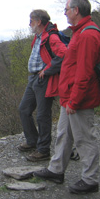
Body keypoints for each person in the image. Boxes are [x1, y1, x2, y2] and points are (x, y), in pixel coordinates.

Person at [34, 0, 100, 194]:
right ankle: (56, 170)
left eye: (66, 9)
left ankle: (90, 180)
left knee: (84, 139)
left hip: (79, 98)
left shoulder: (88, 35)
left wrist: (74, 100)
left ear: (76, 10)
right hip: (69, 97)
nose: (64, 13)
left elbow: (85, 72)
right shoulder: (79, 32)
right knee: (63, 135)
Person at [18, 9, 67, 162]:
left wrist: (47, 70)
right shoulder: (39, 37)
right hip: (33, 78)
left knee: (42, 115)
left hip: (43, 79)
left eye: (31, 21)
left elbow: (64, 53)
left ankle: (43, 150)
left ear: (39, 22)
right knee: (24, 109)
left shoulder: (51, 37)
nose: (29, 24)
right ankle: (32, 141)